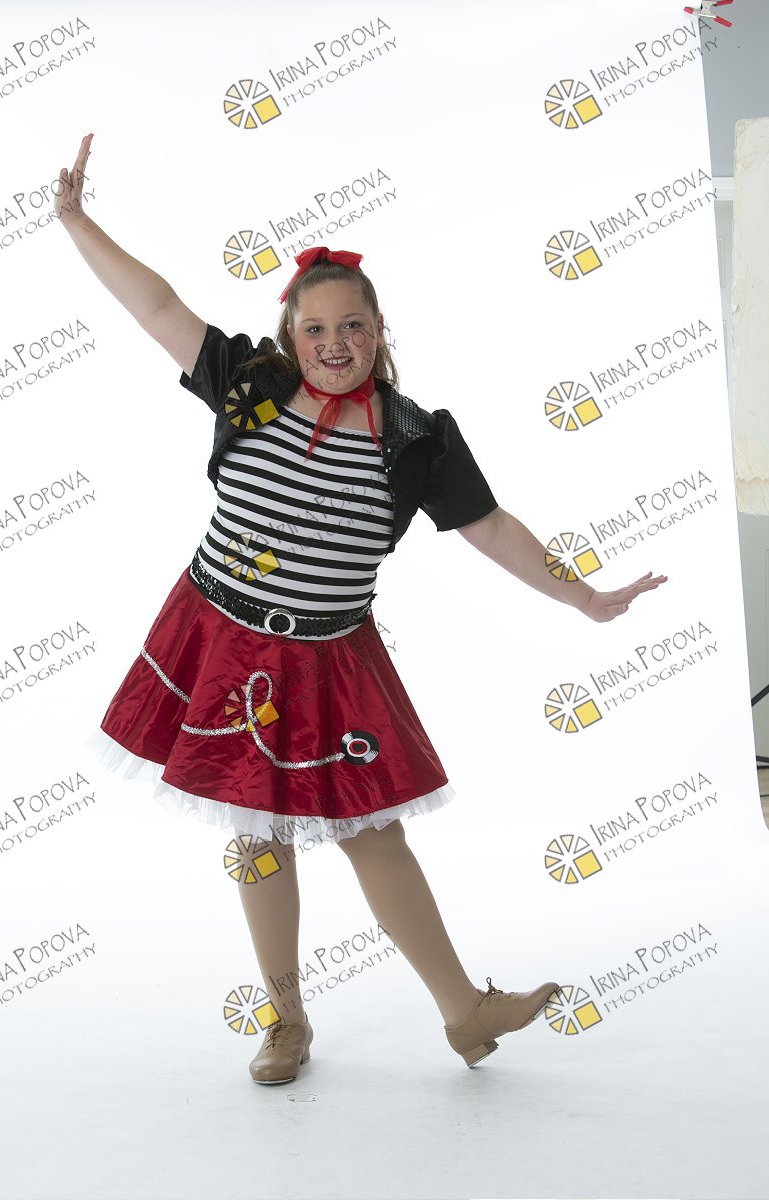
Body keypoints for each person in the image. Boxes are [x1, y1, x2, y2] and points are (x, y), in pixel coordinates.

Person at [57, 133, 668, 1085]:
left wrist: (582, 596)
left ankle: (466, 1012)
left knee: (375, 832)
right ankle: (285, 1018)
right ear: (290, 333)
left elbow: (491, 527)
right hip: (225, 641)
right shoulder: (251, 387)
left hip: (331, 658)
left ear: (380, 330)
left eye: (353, 326)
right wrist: (76, 221)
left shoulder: (416, 439)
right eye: (316, 329)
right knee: (257, 838)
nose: (334, 344)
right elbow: (159, 306)